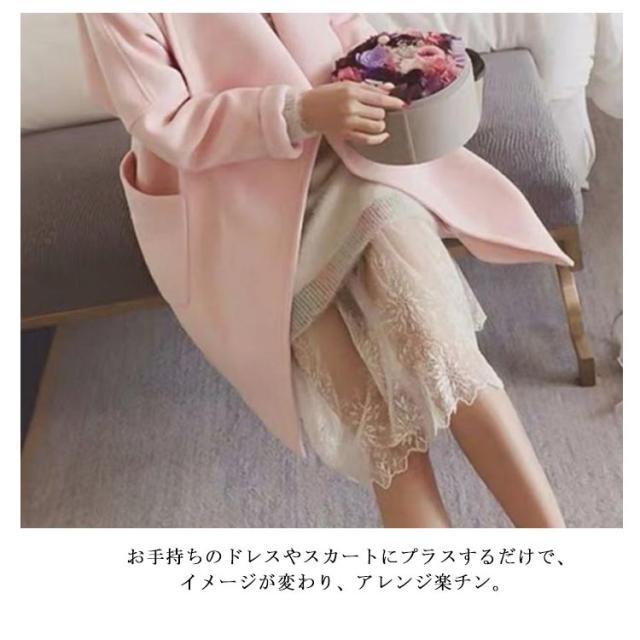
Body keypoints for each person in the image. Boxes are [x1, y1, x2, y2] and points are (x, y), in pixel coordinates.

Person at [78, 13, 567, 527]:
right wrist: (299, 110)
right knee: (382, 435)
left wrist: (390, 74)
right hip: (238, 215)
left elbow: (341, 20)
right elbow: (167, 120)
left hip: (352, 160)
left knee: (444, 351)